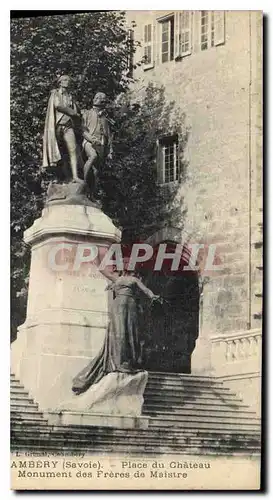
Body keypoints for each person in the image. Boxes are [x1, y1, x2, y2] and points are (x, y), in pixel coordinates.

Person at [72, 267, 161, 395]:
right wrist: (153, 296)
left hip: (122, 305)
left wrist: (152, 296)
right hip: (124, 305)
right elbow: (146, 290)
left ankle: (122, 360)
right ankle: (121, 361)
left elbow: (145, 290)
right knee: (122, 332)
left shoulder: (119, 279)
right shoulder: (131, 279)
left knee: (124, 332)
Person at [43, 74, 83, 183]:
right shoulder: (55, 94)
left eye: (69, 80)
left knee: (73, 149)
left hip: (68, 126)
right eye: (65, 80)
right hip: (57, 126)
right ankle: (60, 177)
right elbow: (58, 106)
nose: (67, 82)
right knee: (58, 152)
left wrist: (78, 113)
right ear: (60, 82)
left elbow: (77, 111)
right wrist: (73, 112)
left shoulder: (71, 96)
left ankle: (75, 176)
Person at [81, 92, 113, 198]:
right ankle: (83, 183)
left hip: (101, 145)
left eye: (100, 98)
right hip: (89, 141)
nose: (97, 99)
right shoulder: (87, 113)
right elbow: (83, 129)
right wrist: (90, 139)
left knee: (96, 171)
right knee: (92, 156)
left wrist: (110, 151)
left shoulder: (105, 118)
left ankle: (92, 194)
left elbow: (108, 136)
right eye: (96, 97)